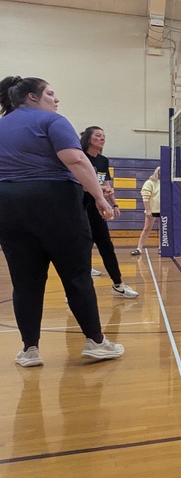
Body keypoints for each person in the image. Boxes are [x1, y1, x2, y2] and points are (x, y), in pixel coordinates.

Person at [0, 75, 125, 366]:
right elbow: (76, 160)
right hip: (54, 201)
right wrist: (100, 197)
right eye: (50, 94)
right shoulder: (52, 121)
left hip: (8, 204)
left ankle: (30, 350)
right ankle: (96, 342)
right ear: (32, 97)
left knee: (25, 281)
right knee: (76, 275)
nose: (56, 100)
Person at [79, 126, 138, 298]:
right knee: (81, 249)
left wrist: (114, 203)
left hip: (97, 210)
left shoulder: (103, 161)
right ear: (89, 138)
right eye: (98, 135)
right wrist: (100, 190)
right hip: (80, 209)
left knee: (107, 247)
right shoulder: (80, 158)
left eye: (104, 136)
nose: (102, 138)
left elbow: (106, 185)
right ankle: (76, 291)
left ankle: (118, 284)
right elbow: (81, 184)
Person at [131, 166, 161, 256]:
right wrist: (148, 210)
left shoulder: (167, 183)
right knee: (147, 228)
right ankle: (139, 248)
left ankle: (161, 248)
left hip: (165, 210)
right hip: (153, 209)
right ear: (157, 172)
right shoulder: (150, 182)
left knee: (163, 230)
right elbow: (145, 197)